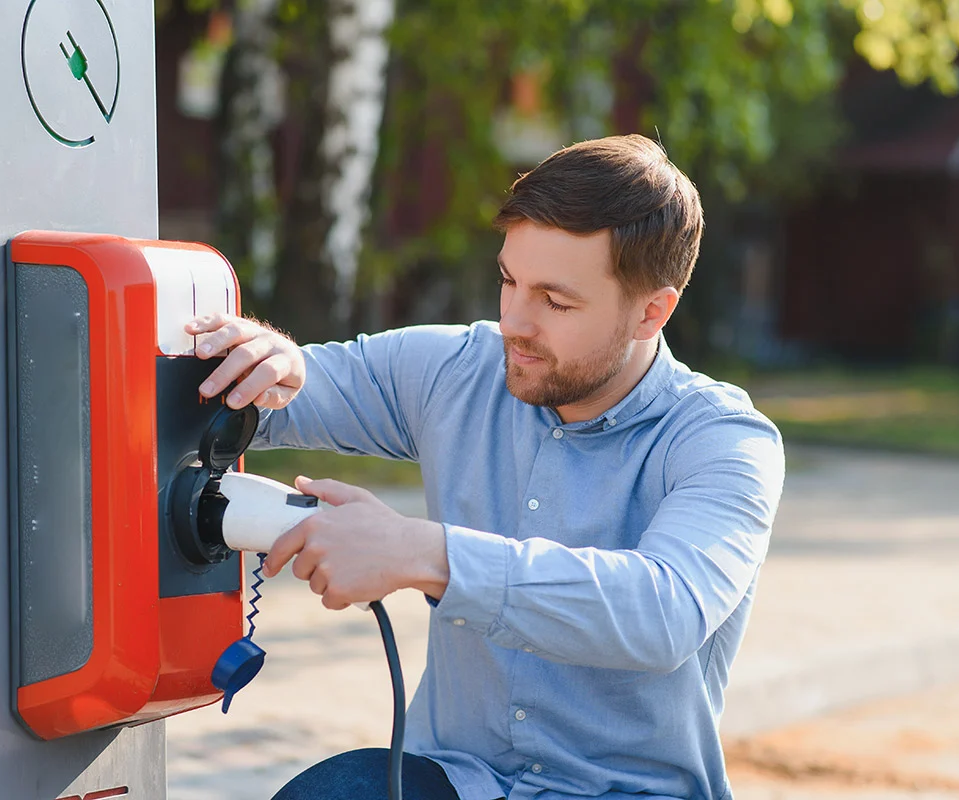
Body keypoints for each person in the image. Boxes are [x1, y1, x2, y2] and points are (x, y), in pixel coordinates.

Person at [185, 134, 785, 800]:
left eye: (556, 302)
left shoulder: (724, 441)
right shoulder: (459, 369)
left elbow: (663, 611)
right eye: (508, 281)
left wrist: (425, 553)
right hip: (458, 780)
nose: (514, 323)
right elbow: (287, 389)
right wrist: (268, 366)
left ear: (652, 312)